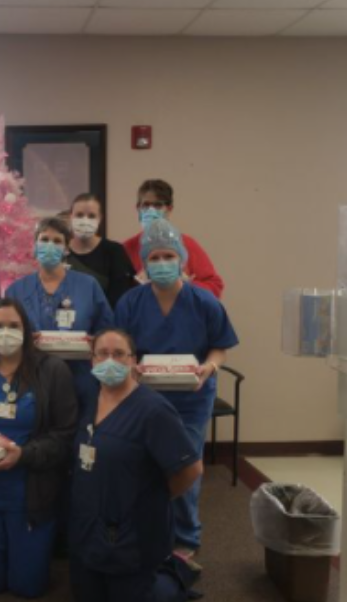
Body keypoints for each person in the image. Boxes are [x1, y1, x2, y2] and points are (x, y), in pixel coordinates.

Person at [115, 219, 238, 570]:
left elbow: (220, 347)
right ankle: (146, 529)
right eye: (155, 257)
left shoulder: (203, 301)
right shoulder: (131, 302)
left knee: (185, 466)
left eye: (169, 255)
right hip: (145, 399)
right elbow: (120, 347)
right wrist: (130, 365)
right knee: (143, 466)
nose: (163, 263)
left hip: (191, 399)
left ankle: (185, 537)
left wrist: (209, 369)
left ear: (182, 259)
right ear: (144, 262)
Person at [0, 299, 77, 598]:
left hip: (29, 494)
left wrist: (23, 455)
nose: (5, 332)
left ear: (26, 330)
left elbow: (65, 435)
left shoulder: (52, 370)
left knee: (28, 588)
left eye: (13, 326)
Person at [70, 329, 203, 602]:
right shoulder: (89, 401)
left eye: (119, 354)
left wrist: (152, 499)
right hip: (90, 527)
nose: (110, 360)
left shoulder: (153, 410)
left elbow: (191, 470)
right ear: (92, 361)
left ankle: (174, 580)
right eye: (102, 354)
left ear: (133, 361)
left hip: (132, 535)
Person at [6, 217, 114, 418]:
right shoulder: (16, 290)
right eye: (44, 239)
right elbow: (4, 334)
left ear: (66, 249)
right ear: (35, 245)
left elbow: (107, 330)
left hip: (80, 378)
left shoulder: (88, 286)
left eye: (57, 241)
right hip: (31, 377)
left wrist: (96, 342)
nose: (50, 245)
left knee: (80, 439)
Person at [121, 179, 224, 298]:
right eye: (146, 205)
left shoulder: (187, 245)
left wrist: (186, 285)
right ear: (138, 208)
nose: (151, 210)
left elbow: (215, 286)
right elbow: (117, 297)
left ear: (169, 210)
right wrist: (136, 285)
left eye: (158, 205)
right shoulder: (126, 249)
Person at [66, 193, 138, 308]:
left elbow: (121, 298)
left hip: (104, 323)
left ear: (100, 218)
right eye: (79, 215)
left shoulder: (114, 251)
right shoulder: (60, 251)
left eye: (91, 216)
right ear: (70, 217)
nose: (85, 220)